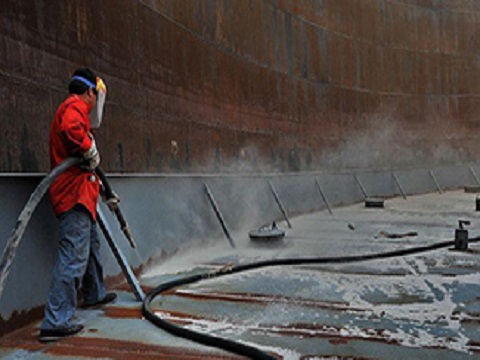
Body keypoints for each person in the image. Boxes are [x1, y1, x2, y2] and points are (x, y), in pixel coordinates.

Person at [39, 68, 116, 342]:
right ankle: (55, 321)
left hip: (84, 195)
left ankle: (94, 294)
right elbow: (71, 130)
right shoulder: (73, 107)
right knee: (73, 256)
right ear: (89, 92)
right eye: (95, 94)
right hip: (73, 197)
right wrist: (88, 146)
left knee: (91, 246)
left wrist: (105, 192)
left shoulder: (78, 112)